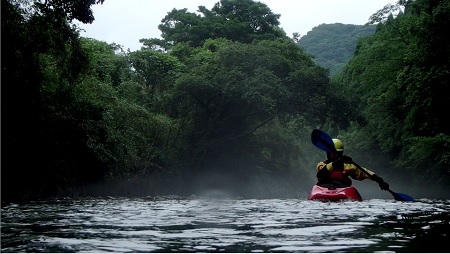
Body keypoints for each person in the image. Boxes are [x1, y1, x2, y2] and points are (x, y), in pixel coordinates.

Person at [316, 138, 390, 190]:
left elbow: (363, 172)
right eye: (331, 153)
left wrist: (379, 180)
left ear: (338, 153)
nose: (333, 155)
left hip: (342, 188)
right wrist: (337, 163)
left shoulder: (348, 166)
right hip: (324, 187)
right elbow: (321, 174)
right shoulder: (322, 165)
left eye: (337, 153)